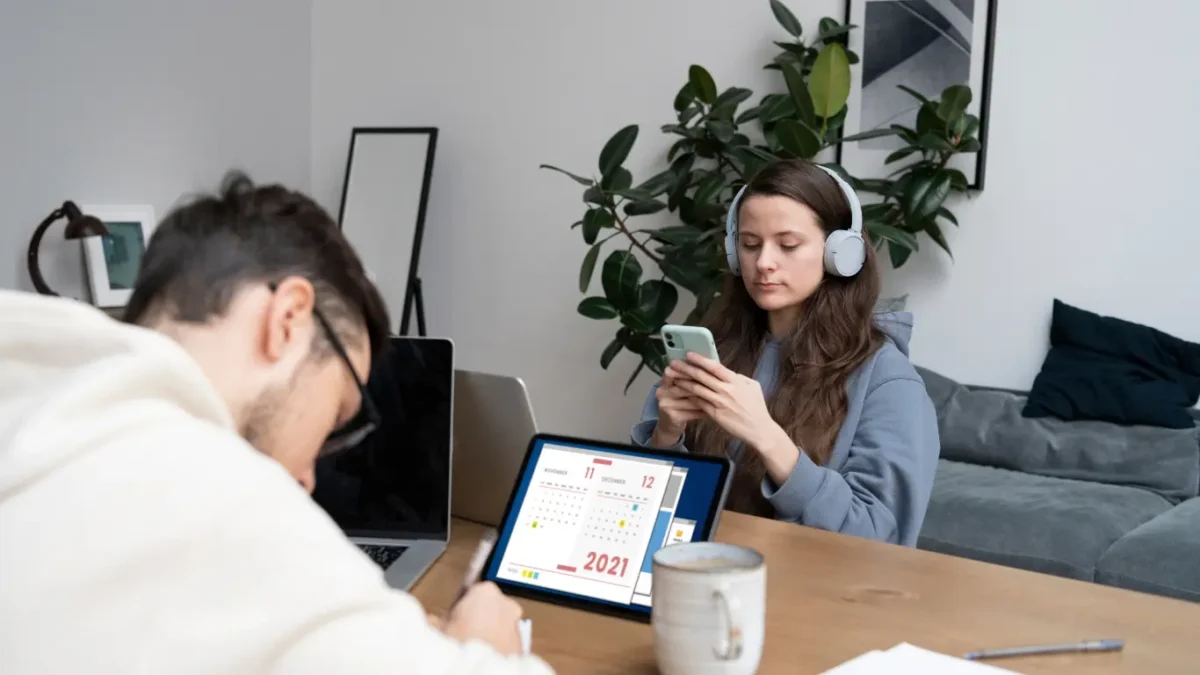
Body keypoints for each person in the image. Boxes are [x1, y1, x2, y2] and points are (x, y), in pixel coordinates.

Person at [0, 172, 553, 675]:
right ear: (287, 319)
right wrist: (482, 648)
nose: (308, 478)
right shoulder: (227, 502)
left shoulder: (34, 376)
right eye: (338, 415)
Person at [631, 158, 940, 546]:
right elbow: (647, 516)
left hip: (811, 582)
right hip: (702, 570)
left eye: (788, 245)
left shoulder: (888, 381)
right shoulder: (716, 353)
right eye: (749, 245)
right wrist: (666, 434)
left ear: (841, 253)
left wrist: (766, 437)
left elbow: (880, 540)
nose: (763, 263)